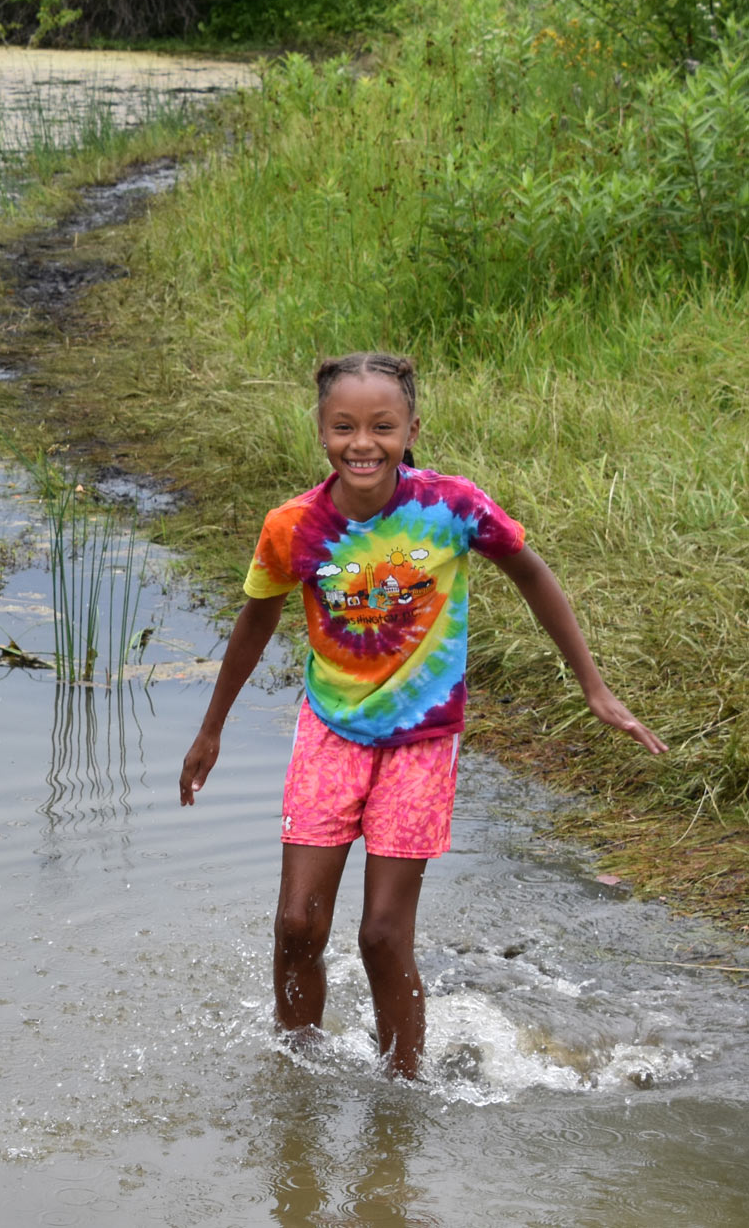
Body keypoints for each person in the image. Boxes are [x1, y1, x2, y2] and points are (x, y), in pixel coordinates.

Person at [178, 351, 667, 1080]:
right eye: (344, 426)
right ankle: (297, 1076)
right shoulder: (293, 527)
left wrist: (593, 687)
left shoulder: (451, 507)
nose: (362, 443)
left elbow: (532, 573)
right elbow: (255, 620)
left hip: (422, 743)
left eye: (382, 426)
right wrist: (212, 727)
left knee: (381, 934)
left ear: (411, 431)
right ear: (321, 432)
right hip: (331, 732)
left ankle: (404, 1086)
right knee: (297, 924)